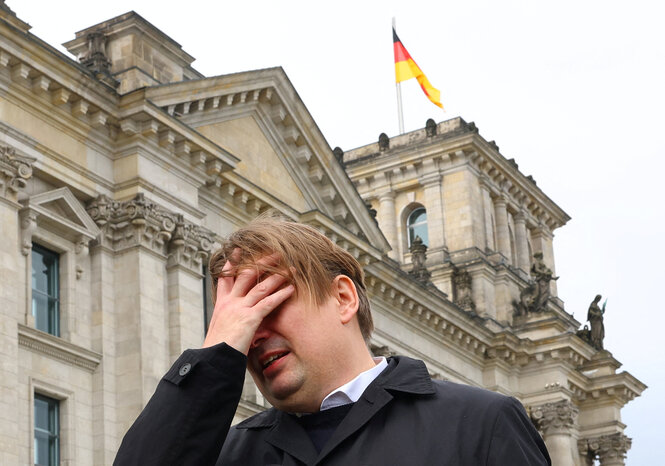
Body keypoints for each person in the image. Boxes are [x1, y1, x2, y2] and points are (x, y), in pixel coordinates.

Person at [114, 217, 551, 465]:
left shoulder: (480, 423)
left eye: (268, 298)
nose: (252, 331)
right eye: (233, 315)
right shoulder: (231, 454)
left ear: (342, 298)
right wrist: (214, 356)